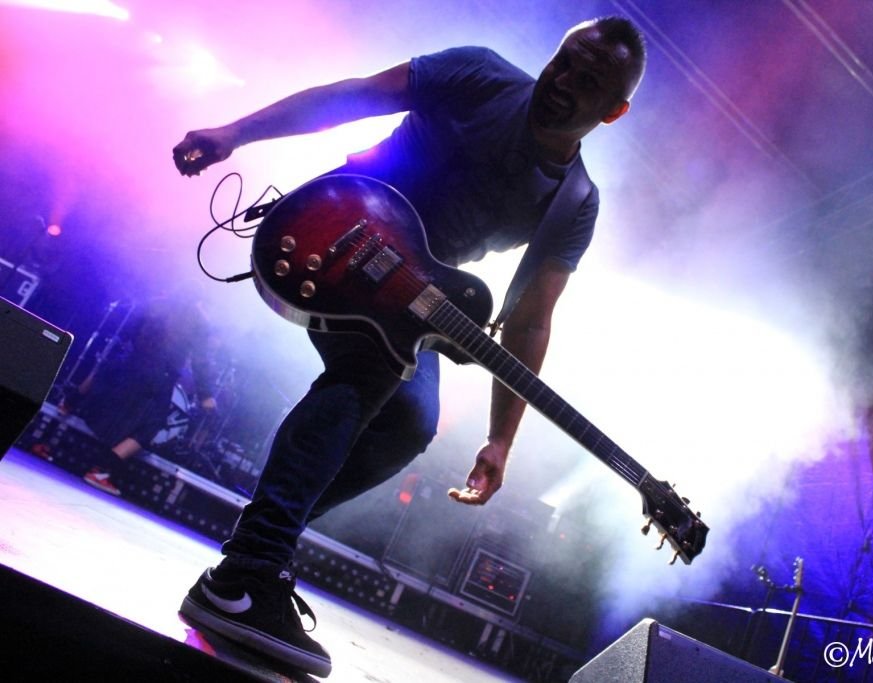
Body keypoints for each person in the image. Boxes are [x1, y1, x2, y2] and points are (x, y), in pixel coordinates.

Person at [171, 16, 645, 677]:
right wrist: (236, 133)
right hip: (334, 227)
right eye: (564, 61)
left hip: (409, 302)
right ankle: (250, 568)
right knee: (377, 369)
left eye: (588, 82)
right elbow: (352, 96)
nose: (563, 82)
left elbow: (530, 322)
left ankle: (253, 557)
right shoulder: (479, 74)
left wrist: (500, 438)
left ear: (614, 111)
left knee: (412, 422)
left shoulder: (575, 204)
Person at [61, 294, 218, 496]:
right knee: (152, 424)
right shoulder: (199, 321)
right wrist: (206, 395)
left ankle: (67, 404)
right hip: (158, 376)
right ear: (199, 301)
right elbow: (201, 361)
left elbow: (128, 331)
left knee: (103, 380)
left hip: (131, 361)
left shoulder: (157, 303)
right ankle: (101, 471)